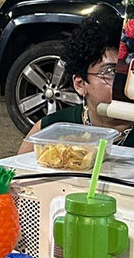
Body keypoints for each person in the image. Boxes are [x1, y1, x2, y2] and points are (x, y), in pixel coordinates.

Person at [18, 13, 133, 153]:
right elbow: (17, 172)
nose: (127, 83)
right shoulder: (51, 130)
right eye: (111, 72)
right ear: (80, 84)